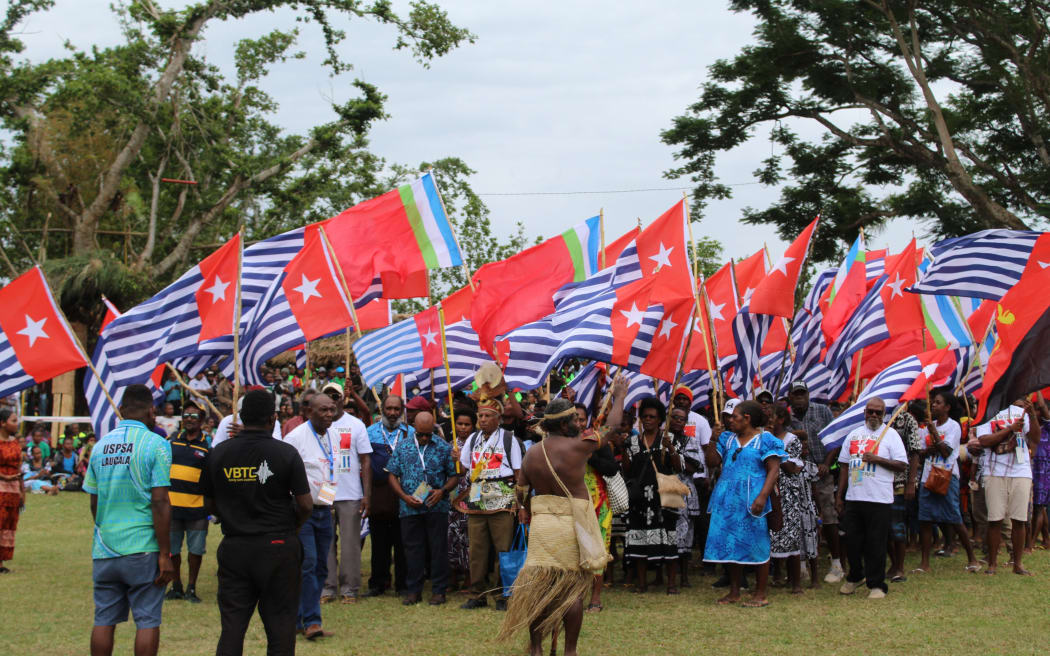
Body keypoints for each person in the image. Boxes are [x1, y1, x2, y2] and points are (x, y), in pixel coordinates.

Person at [497, 396, 616, 656]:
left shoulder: (532, 453)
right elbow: (612, 427)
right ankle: (569, 651)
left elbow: (521, 490)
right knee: (572, 590)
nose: (577, 422)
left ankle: (537, 649)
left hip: (542, 526)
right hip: (570, 525)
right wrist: (618, 395)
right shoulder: (578, 446)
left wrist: (524, 509)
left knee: (540, 588)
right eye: (574, 418)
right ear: (563, 425)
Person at [201, 389, 312, 656]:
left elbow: (208, 502)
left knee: (232, 626)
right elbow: (306, 504)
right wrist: (292, 528)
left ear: (240, 417)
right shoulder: (285, 453)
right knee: (281, 626)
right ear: (273, 418)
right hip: (278, 545)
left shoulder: (218, 453)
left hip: (235, 546)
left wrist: (230, 515)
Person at [83, 384, 174, 656]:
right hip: (142, 548)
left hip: (105, 547)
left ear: (120, 410)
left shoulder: (99, 447)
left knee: (103, 620)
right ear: (152, 410)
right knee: (147, 620)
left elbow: (93, 500)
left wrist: (105, 529)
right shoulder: (157, 444)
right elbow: (159, 501)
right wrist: (165, 554)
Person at [704, 400, 784, 607]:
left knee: (758, 543)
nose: (731, 420)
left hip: (752, 498)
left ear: (747, 418)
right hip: (727, 498)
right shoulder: (728, 439)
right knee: (731, 544)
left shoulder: (765, 440)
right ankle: (734, 591)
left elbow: (773, 469)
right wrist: (713, 440)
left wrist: (762, 496)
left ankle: (760, 593)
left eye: (735, 416)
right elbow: (712, 462)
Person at [834, 397, 908, 599]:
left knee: (876, 543)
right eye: (871, 412)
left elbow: (902, 464)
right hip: (855, 497)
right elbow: (844, 466)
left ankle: (876, 584)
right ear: (864, 412)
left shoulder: (891, 435)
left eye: (878, 412)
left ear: (884, 414)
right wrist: (839, 496)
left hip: (879, 499)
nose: (874, 415)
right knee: (853, 542)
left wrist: (878, 459)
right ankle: (855, 576)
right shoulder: (854, 435)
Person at [459, 382, 523, 611]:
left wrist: (521, 503)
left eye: (488, 416)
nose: (483, 420)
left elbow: (518, 473)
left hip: (502, 497)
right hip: (476, 497)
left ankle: (502, 595)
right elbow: (465, 467)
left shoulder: (508, 439)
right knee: (476, 549)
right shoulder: (473, 439)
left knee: (502, 549)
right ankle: (477, 594)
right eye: (481, 416)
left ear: (498, 418)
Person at [282, 393, 341, 640]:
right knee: (307, 564)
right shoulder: (295, 438)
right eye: (324, 410)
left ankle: (299, 619)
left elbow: (332, 468)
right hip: (301, 512)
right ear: (309, 412)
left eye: (332, 410)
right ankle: (313, 622)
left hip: (324, 510)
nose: (329, 414)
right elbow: (283, 475)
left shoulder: (335, 435)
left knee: (319, 567)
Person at [387, 411, 459, 605]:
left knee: (438, 549)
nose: (425, 438)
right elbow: (392, 474)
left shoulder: (443, 447)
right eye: (421, 434)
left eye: (428, 434)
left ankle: (439, 590)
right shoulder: (402, 447)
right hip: (410, 507)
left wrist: (442, 491)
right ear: (414, 428)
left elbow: (454, 476)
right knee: (412, 549)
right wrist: (403, 497)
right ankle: (413, 590)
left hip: (437, 507)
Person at [914, 390, 981, 574]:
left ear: (947, 407)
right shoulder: (925, 427)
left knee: (954, 517)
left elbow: (945, 452)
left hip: (947, 475)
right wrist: (932, 446)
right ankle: (925, 563)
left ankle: (972, 559)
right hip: (928, 475)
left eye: (937, 402)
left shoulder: (953, 427)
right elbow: (921, 453)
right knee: (925, 519)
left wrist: (933, 435)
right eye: (933, 402)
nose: (933, 405)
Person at [622, 397, 682, 594]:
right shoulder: (632, 441)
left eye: (652, 417)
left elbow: (679, 467)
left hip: (664, 496)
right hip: (640, 498)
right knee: (640, 538)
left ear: (659, 420)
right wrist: (623, 450)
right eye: (645, 416)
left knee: (668, 538)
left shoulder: (669, 439)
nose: (648, 420)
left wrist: (670, 448)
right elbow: (628, 470)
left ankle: (671, 584)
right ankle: (641, 584)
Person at [320, 382, 372, 605]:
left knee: (351, 543)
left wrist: (366, 494)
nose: (332, 400)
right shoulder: (316, 425)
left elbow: (366, 460)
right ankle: (327, 587)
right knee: (325, 541)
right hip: (324, 490)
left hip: (350, 491)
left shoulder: (356, 425)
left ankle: (350, 589)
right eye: (327, 396)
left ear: (344, 398)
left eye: (336, 396)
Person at [975, 398, 1040, 576]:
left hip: (1021, 471)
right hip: (994, 472)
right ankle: (993, 564)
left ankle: (1017, 564)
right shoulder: (987, 412)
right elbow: (984, 440)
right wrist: (1010, 429)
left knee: (1019, 520)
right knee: (994, 519)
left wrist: (1032, 416)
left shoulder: (1022, 412)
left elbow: (1034, 439)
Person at [787, 379, 843, 582]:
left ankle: (836, 564)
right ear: (790, 397)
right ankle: (801, 565)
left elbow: (834, 439)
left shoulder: (822, 411)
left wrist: (827, 463)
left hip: (821, 472)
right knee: (799, 520)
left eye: (803, 394)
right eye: (796, 394)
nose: (800, 398)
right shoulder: (787, 417)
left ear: (809, 395)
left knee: (828, 516)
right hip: (796, 474)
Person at [364, 394, 411, 598]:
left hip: (404, 494)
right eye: (389, 409)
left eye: (396, 409)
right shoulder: (369, 432)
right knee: (379, 541)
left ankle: (403, 584)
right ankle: (378, 583)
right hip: (379, 493)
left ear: (402, 410)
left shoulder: (411, 433)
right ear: (381, 408)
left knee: (403, 541)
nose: (392, 413)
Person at [165, 401, 210, 603]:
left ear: (201, 420)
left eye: (194, 416)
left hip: (196, 509)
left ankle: (191, 588)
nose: (189, 419)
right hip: (172, 507)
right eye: (186, 416)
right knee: (173, 551)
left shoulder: (208, 447)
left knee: (195, 551)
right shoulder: (171, 443)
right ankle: (176, 586)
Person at [768, 405, 809, 593]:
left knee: (791, 536)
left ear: (781, 419)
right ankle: (775, 576)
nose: (768, 421)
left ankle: (796, 583)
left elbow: (793, 468)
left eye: (771, 417)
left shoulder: (791, 440)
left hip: (787, 494)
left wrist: (776, 452)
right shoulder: (762, 438)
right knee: (771, 535)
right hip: (768, 492)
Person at [447, 408, 477, 592]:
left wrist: (464, 460)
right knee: (451, 536)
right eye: (460, 424)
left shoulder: (478, 445)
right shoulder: (450, 446)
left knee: (469, 537)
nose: (463, 428)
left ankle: (469, 576)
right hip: (452, 496)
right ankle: (452, 576)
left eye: (467, 424)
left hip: (471, 496)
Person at [0, 408, 24, 573]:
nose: (17, 424)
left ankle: (1, 563)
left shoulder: (15, 442)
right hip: (1, 487)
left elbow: (19, 467)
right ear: (2, 423)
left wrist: (22, 491)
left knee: (9, 524)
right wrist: (3, 477)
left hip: (14, 489)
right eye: (14, 420)